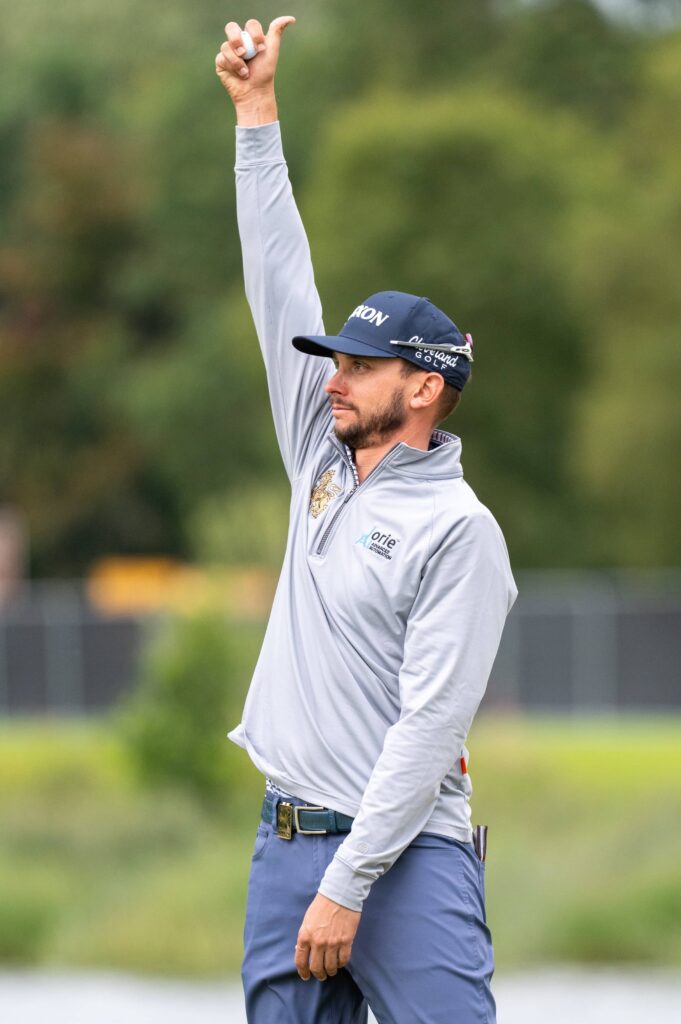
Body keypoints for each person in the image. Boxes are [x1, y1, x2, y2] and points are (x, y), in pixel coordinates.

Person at [216, 15, 517, 1024]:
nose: (333, 379)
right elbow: (277, 279)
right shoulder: (320, 450)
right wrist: (258, 116)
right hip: (284, 841)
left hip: (405, 858)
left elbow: (432, 726)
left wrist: (348, 881)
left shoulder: (461, 532)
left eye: (359, 364)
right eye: (335, 361)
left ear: (425, 389)